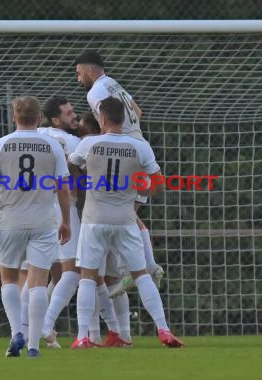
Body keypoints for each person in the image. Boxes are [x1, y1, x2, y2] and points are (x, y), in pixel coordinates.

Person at [69, 97, 184, 349]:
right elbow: (158, 183)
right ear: (123, 119)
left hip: (94, 219)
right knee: (141, 275)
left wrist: (84, 182)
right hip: (125, 219)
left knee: (88, 277)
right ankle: (164, 331)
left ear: (102, 118)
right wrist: (139, 192)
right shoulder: (139, 146)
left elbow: (72, 164)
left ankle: (82, 337)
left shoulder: (89, 142)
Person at [0, 95, 71, 358]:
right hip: (43, 221)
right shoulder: (52, 145)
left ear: (14, 117)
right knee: (37, 284)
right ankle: (33, 346)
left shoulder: (0, 145)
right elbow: (63, 187)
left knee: (9, 279)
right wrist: (65, 220)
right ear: (40, 118)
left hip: (10, 219)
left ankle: (15, 333)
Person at [74, 50, 164, 297]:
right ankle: (146, 267)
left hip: (123, 154)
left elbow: (107, 125)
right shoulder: (113, 84)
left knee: (118, 214)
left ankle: (137, 270)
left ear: (91, 71)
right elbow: (138, 112)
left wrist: (101, 151)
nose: (79, 79)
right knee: (127, 214)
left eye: (80, 73)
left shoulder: (95, 93)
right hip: (138, 146)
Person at [38, 97, 122, 348]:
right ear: (56, 119)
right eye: (69, 113)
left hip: (33, 208)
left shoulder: (37, 134)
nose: (74, 116)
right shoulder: (78, 142)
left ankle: (112, 331)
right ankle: (44, 325)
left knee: (37, 274)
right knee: (76, 271)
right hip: (64, 208)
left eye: (74, 111)